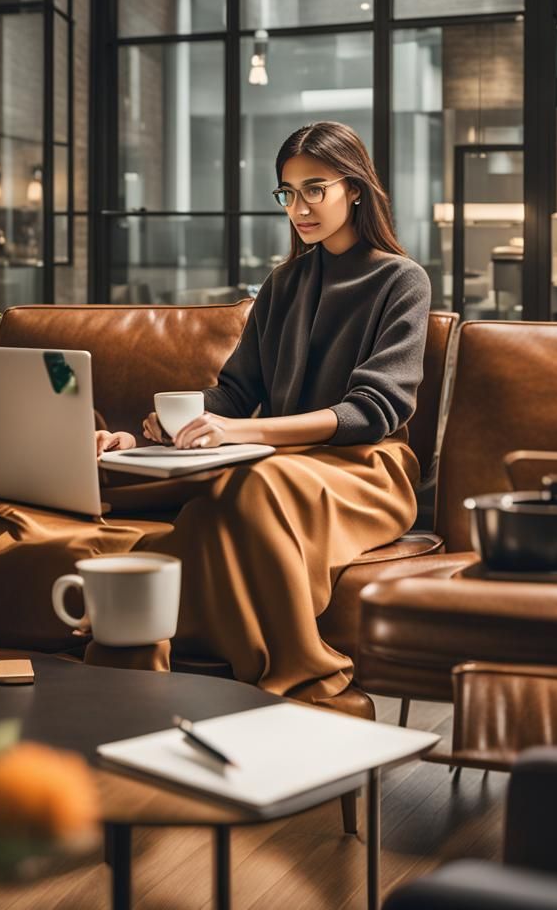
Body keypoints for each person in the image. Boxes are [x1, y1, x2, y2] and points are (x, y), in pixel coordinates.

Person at [108, 121, 432, 716]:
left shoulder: (401, 279)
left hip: (368, 470)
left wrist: (242, 432)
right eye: (288, 192)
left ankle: (304, 674)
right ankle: (178, 673)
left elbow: (371, 411)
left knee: (250, 481)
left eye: (316, 189)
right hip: (284, 464)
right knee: (209, 509)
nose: (299, 207)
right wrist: (164, 421)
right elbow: (236, 393)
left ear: (354, 188)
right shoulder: (283, 284)